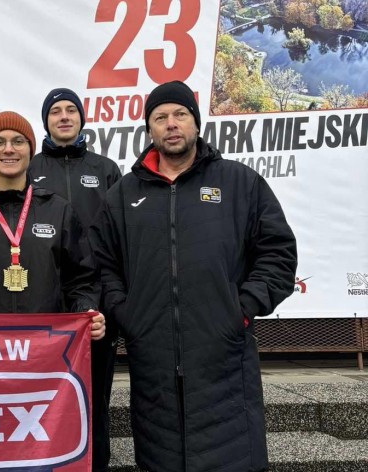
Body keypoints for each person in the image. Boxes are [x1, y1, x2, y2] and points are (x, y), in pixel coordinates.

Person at [88, 81, 297, 472]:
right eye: (160, 117)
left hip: (223, 356)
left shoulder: (240, 183)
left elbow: (278, 253)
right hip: (152, 360)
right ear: (149, 129)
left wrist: (242, 309)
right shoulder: (123, 194)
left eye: (180, 115)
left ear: (196, 124)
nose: (171, 124)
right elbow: (102, 263)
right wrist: (124, 313)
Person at [0, 111, 106, 336]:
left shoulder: (58, 210)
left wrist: (86, 312)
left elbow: (81, 280)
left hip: (45, 346)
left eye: (18, 141)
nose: (8, 149)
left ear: (30, 150)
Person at [28, 87, 121, 472]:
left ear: (82, 119)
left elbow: (121, 236)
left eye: (71, 110)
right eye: (55, 112)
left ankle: (95, 463)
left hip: (95, 302)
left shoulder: (105, 169)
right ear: (46, 120)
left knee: (93, 392)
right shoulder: (29, 168)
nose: (63, 117)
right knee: (41, 393)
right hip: (43, 300)